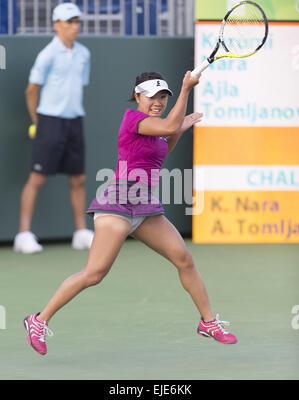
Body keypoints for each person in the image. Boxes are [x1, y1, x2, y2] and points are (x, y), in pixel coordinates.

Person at [23, 70, 237, 356]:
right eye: (152, 96)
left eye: (164, 96)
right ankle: (38, 320)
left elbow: (164, 145)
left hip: (144, 205)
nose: (158, 102)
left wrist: (177, 129)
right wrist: (186, 90)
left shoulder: (158, 129)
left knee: (184, 259)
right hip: (118, 202)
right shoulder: (132, 119)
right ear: (138, 96)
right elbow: (170, 124)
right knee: (94, 273)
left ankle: (208, 322)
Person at [14, 3, 93, 254]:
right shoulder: (47, 54)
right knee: (37, 178)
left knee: (78, 178)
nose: (74, 26)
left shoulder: (84, 53)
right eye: (69, 22)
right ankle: (23, 234)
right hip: (49, 121)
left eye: (77, 22)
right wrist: (38, 121)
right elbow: (31, 90)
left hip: (74, 121)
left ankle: (81, 232)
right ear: (56, 25)